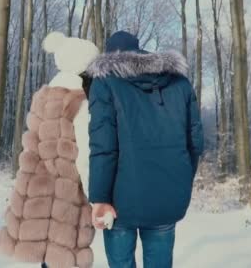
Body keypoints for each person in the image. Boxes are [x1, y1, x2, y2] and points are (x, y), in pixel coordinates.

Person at [85, 31, 204, 268]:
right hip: (167, 195)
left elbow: (103, 146)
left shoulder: (104, 81)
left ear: (109, 54)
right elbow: (195, 142)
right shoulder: (180, 82)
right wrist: (180, 179)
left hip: (119, 201)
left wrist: (99, 198)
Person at [0, 32, 99, 268]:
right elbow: (85, 152)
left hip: (36, 186)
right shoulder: (80, 102)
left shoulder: (42, 96)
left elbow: (31, 143)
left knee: (46, 255)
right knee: (63, 255)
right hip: (67, 191)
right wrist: (96, 194)